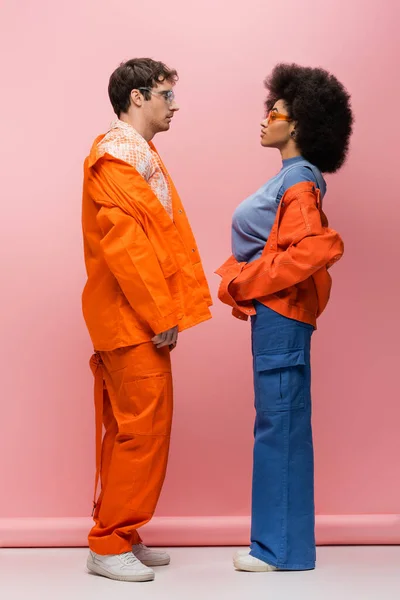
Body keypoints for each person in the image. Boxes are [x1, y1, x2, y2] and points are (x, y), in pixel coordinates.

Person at [216, 63, 353, 572]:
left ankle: (278, 551)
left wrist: (240, 282)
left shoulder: (297, 180)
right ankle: (279, 547)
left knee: (280, 425)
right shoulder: (291, 178)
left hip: (281, 314)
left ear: (297, 125)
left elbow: (315, 248)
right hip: (278, 316)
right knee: (280, 423)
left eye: (275, 111)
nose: (265, 118)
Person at [81, 58, 212, 582]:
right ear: (138, 98)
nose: (173, 105)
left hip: (132, 316)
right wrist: (161, 314)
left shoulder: (137, 153)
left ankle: (123, 533)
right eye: (166, 94)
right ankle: (108, 540)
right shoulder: (117, 156)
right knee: (142, 431)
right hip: (130, 317)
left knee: (133, 431)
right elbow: (127, 247)